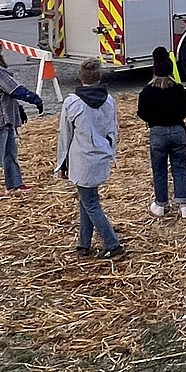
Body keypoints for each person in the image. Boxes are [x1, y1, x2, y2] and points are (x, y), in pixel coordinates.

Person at [55, 58, 124, 259]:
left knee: (90, 202)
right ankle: (83, 244)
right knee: (87, 199)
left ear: (80, 76)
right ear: (99, 76)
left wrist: (61, 163)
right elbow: (114, 129)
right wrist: (111, 151)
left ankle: (113, 243)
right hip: (101, 156)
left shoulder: (72, 103)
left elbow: (65, 135)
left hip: (82, 159)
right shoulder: (109, 100)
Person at [0, 42, 44, 200]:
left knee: (10, 153)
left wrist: (18, 109)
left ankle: (14, 184)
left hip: (3, 118)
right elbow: (15, 89)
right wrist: (35, 99)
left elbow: (4, 94)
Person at [137, 45, 186, 219]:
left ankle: (161, 204)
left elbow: (141, 112)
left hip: (157, 132)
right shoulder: (178, 89)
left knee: (159, 169)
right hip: (177, 130)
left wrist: (152, 120)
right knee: (180, 168)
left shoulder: (147, 92)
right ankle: (183, 205)